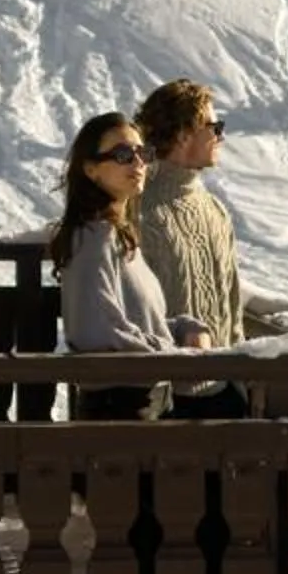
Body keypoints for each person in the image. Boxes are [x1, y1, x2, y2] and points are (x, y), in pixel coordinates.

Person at [133, 79, 288, 417]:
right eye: (214, 127)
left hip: (224, 392)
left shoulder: (214, 209)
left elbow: (229, 301)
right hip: (159, 400)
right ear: (183, 134)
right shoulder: (138, 209)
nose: (221, 136)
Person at [49, 111, 206, 418]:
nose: (138, 163)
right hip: (120, 410)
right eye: (123, 154)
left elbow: (136, 322)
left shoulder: (117, 236)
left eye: (142, 153)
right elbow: (99, 335)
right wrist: (174, 354)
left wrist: (183, 329)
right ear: (91, 169)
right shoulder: (92, 240)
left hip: (146, 400)